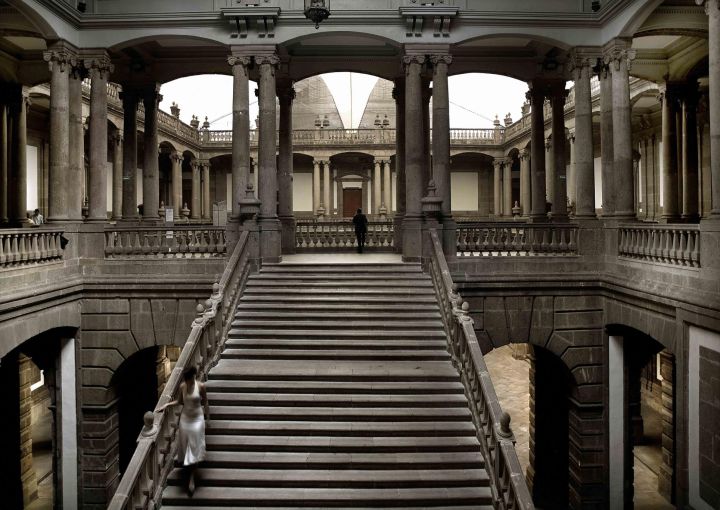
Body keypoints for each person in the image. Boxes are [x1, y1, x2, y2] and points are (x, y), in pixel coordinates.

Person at [157, 366, 208, 495]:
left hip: (197, 419)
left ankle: (191, 478)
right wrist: (167, 404)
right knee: (186, 447)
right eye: (187, 380)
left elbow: (206, 402)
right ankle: (189, 470)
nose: (188, 382)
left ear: (194, 376)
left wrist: (208, 417)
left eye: (190, 379)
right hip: (185, 419)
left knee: (194, 447)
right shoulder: (182, 387)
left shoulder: (201, 386)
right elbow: (180, 401)